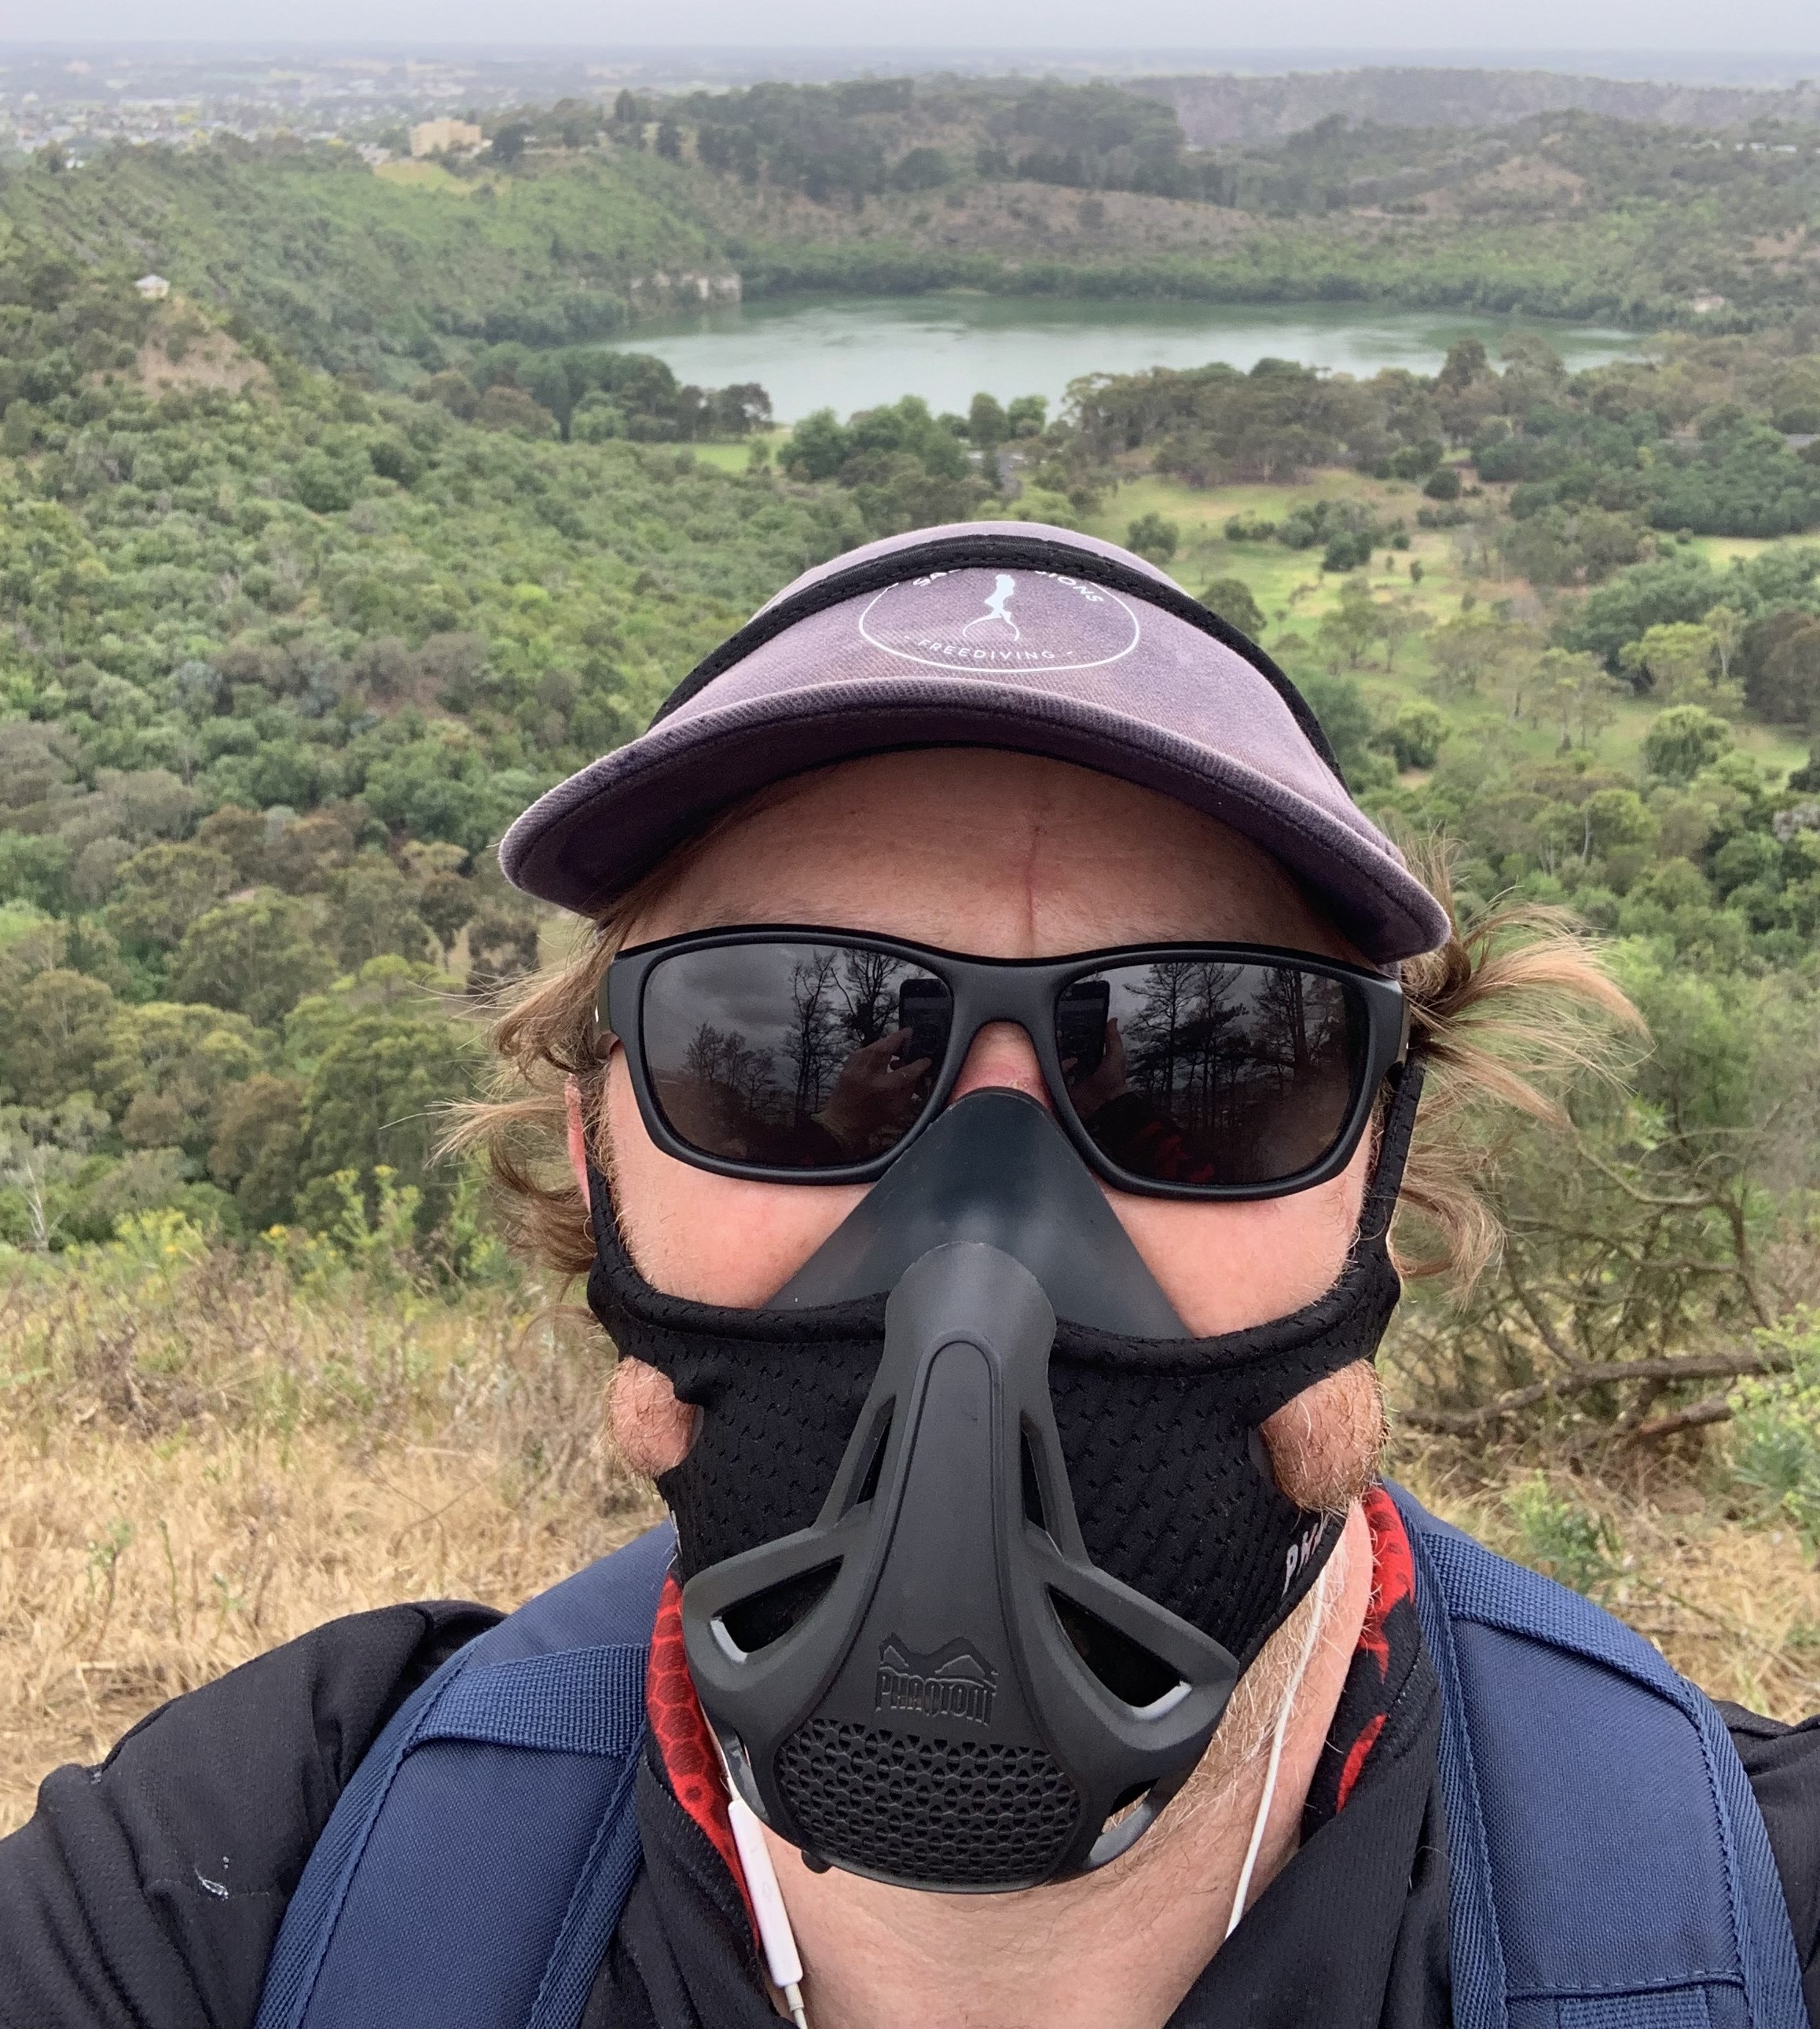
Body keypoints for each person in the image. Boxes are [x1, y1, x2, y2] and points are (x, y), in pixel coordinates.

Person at [3, 520, 1817, 2029]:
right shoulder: (243, 1889)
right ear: (595, 1153)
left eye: (1203, 1068)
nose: (987, 1240)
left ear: (1380, 1182)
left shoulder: (1743, 1916)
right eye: (797, 1049)